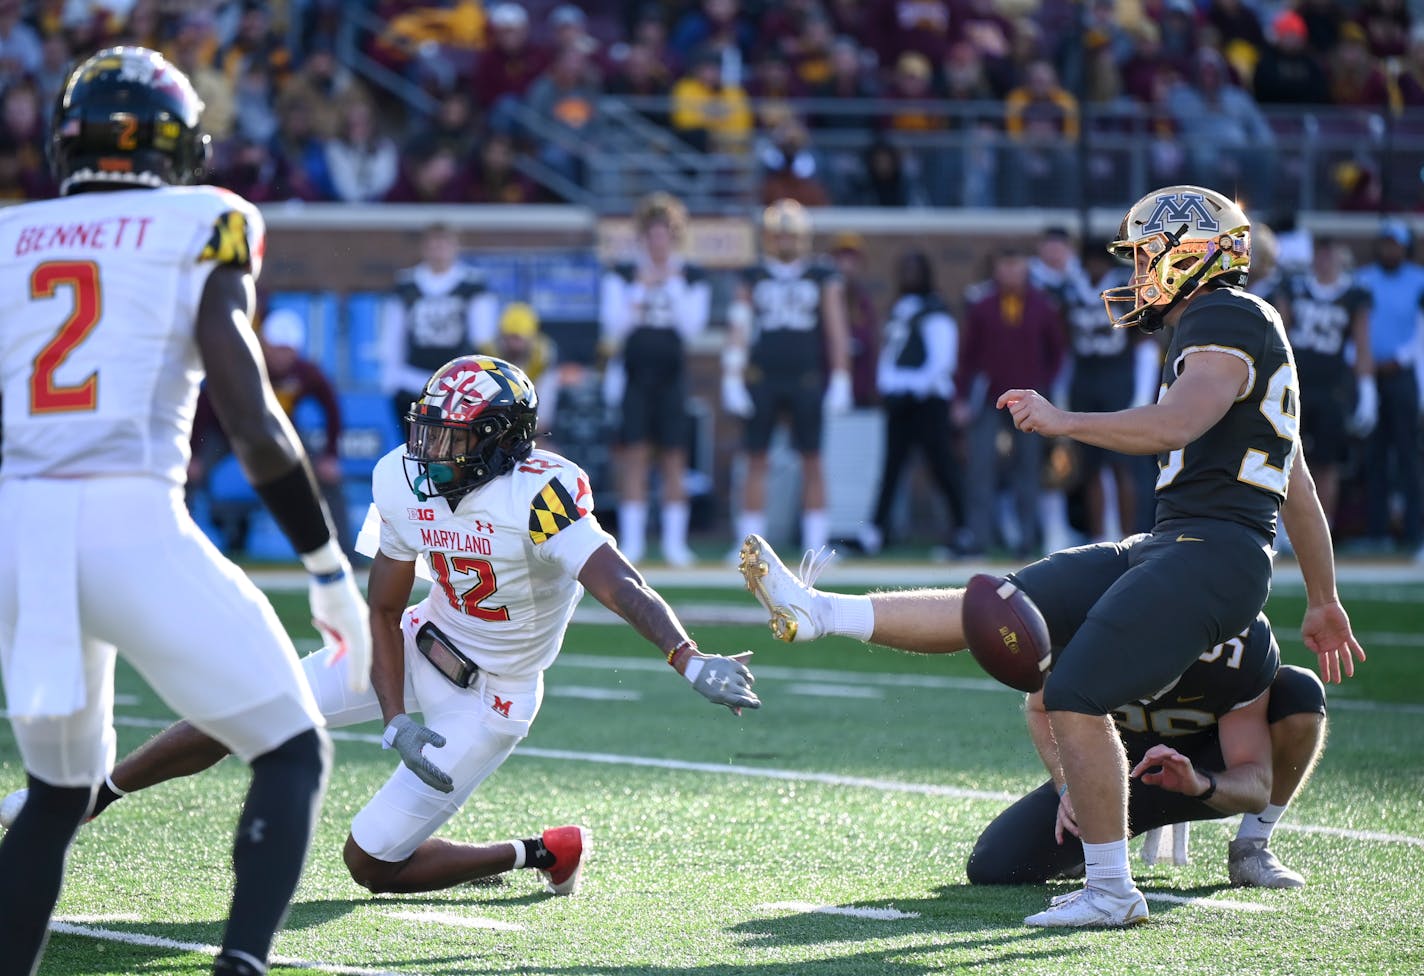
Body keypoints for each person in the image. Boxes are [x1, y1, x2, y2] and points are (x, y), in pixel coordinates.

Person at [740, 184, 1364, 928]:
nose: (1135, 275)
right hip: (1178, 542)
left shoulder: (1223, 316)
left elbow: (1178, 423)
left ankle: (1110, 890)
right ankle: (819, 613)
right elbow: (1293, 481)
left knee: (1072, 691)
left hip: (1212, 553)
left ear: (1188, 256)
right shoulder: (1234, 327)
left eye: (1144, 258)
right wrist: (1323, 598)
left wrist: (1065, 420)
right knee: (1003, 603)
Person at [4, 356, 760, 901]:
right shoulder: (400, 475)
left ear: (501, 440)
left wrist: (687, 659)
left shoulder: (544, 494)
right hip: (421, 638)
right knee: (250, 705)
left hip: (494, 693)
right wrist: (395, 717)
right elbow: (384, 609)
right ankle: (86, 800)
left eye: (452, 439)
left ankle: (539, 852)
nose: (429, 452)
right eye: (426, 431)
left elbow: (618, 581)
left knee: (370, 865)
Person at [0, 48, 369, 976]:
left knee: (55, 793)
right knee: (290, 751)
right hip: (128, 517)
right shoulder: (211, 216)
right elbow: (247, 411)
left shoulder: (9, 238)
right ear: (179, 147)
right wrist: (325, 564)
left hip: (18, 534)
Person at [968, 614, 1327, 890]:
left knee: (1299, 691)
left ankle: (1253, 844)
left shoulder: (1238, 634)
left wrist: (1200, 783)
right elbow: (1040, 708)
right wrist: (1069, 787)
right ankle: (1096, 842)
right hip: (1115, 771)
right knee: (994, 865)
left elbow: (1255, 785)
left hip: (1204, 767)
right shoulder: (1091, 619)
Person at [723, 199, 853, 556]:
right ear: (767, 237)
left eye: (790, 234)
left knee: (812, 458)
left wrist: (841, 376)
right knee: (756, 458)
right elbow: (739, 326)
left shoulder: (822, 275)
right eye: (778, 235)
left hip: (806, 375)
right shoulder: (753, 275)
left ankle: (816, 545)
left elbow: (836, 328)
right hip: (763, 375)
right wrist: (732, 375)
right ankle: (747, 544)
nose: (784, 241)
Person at [599, 193, 711, 566]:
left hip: (672, 374)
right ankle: (632, 542)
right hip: (635, 371)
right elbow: (615, 326)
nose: (658, 243)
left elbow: (691, 327)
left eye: (665, 235)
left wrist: (671, 284)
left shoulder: (691, 275)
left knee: (675, 456)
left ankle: (675, 544)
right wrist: (642, 288)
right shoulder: (623, 274)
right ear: (642, 238)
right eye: (652, 235)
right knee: (634, 455)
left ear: (674, 236)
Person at [953, 246, 1066, 557]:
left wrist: (1045, 384)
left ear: (1025, 269)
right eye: (1004, 265)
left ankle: (1027, 541)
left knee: (1028, 470)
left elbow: (1058, 352)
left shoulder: (1042, 305)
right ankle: (978, 539)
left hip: (1030, 400)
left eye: (1016, 265)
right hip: (989, 397)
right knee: (981, 468)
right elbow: (967, 357)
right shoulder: (982, 306)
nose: (1010, 272)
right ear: (996, 269)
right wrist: (961, 398)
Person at [861, 251, 965, 557]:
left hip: (929, 400)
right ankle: (875, 531)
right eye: (904, 269)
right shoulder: (898, 310)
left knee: (941, 465)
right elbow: (891, 352)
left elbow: (942, 358)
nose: (909, 275)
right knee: (891, 466)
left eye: (914, 269)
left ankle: (963, 529)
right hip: (899, 401)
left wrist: (916, 388)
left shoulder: (936, 310)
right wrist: (887, 386)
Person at [1268, 238, 1375, 530]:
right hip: (1295, 385)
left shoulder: (1354, 294)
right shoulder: (1294, 289)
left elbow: (1362, 344)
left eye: (1330, 253)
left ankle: (1321, 528)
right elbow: (1281, 336)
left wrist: (1367, 390)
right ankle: (1281, 527)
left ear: (1340, 257)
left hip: (1332, 390)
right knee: (1285, 458)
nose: (1324, 259)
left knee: (1327, 463)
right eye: (1320, 253)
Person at [380, 223, 498, 431]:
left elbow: (484, 338)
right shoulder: (406, 285)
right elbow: (392, 335)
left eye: (444, 243)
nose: (439, 250)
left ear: (456, 247)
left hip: (458, 383)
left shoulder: (472, 285)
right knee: (415, 447)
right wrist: (391, 379)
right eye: (433, 244)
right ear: (424, 248)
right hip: (413, 379)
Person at [1354, 220, 1423, 553]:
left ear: (1405, 246)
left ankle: (1413, 533)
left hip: (1403, 376)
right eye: (1384, 243)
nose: (1389, 249)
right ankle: (1376, 532)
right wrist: (1361, 360)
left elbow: (1420, 331)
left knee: (1409, 455)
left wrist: (1400, 358)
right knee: (1374, 456)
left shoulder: (1419, 280)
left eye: (1395, 244)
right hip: (1369, 376)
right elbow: (1354, 324)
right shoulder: (1363, 279)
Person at [484, 301, 560, 443]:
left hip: (532, 395)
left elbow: (545, 404)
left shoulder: (543, 356)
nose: (513, 344)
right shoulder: (488, 354)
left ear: (531, 337)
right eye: (509, 338)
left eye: (518, 338)